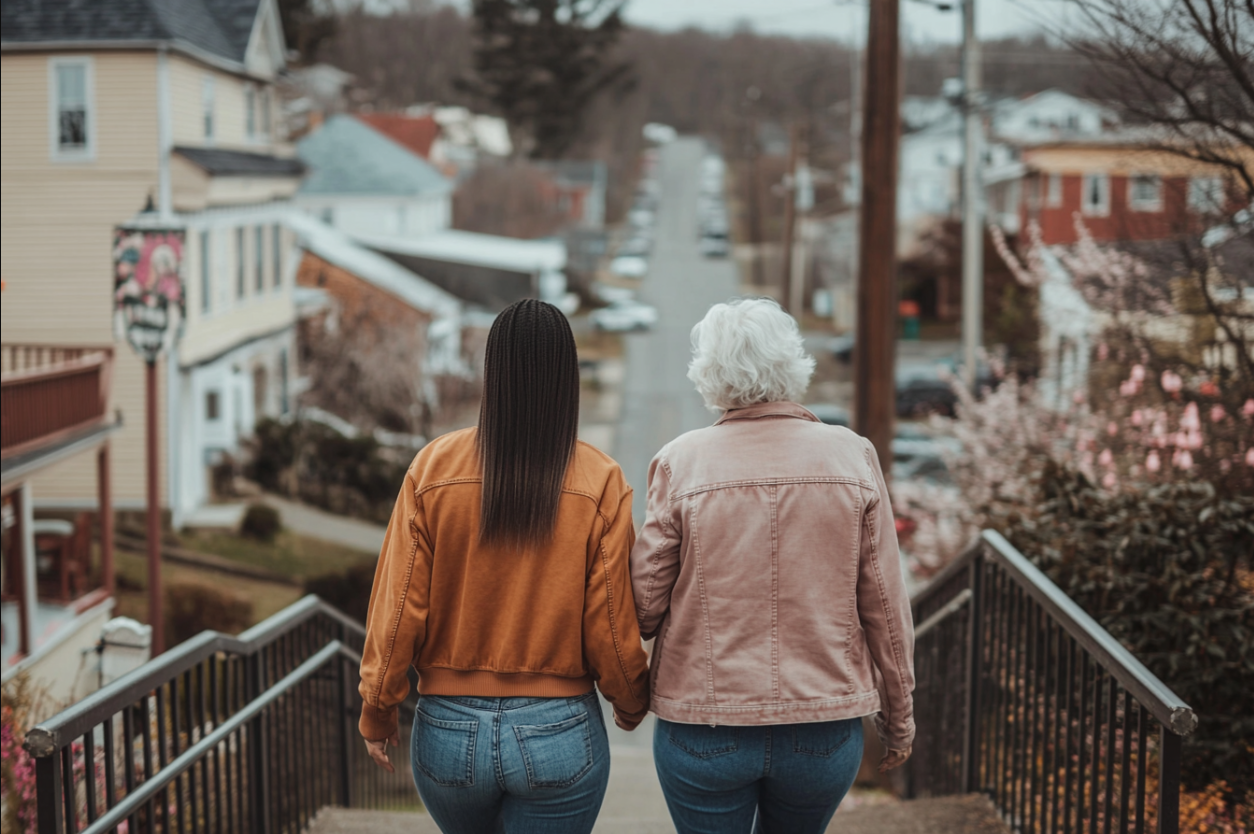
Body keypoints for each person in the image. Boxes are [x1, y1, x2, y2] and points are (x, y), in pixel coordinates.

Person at [358, 299, 650, 834]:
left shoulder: (433, 468)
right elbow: (609, 620)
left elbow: (397, 609)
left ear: (492, 373)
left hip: (448, 733)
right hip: (559, 732)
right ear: (567, 378)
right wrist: (631, 700)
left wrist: (378, 708)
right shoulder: (600, 480)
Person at [630, 298, 915, 834]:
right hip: (823, 726)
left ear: (708, 373)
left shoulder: (680, 461)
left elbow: (643, 606)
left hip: (704, 724)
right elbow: (886, 607)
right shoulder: (852, 456)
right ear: (793, 363)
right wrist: (898, 717)